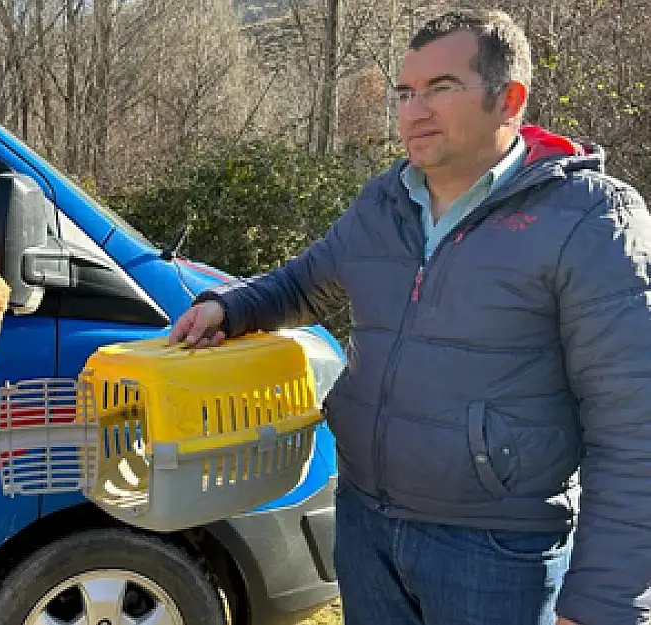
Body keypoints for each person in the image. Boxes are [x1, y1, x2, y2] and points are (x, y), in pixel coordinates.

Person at [169, 8, 651, 625]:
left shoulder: (588, 220)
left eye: (441, 88)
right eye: (406, 92)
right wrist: (227, 308)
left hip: (497, 552)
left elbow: (632, 424)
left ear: (509, 99)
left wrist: (605, 604)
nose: (414, 110)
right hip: (367, 527)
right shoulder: (384, 202)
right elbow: (305, 283)